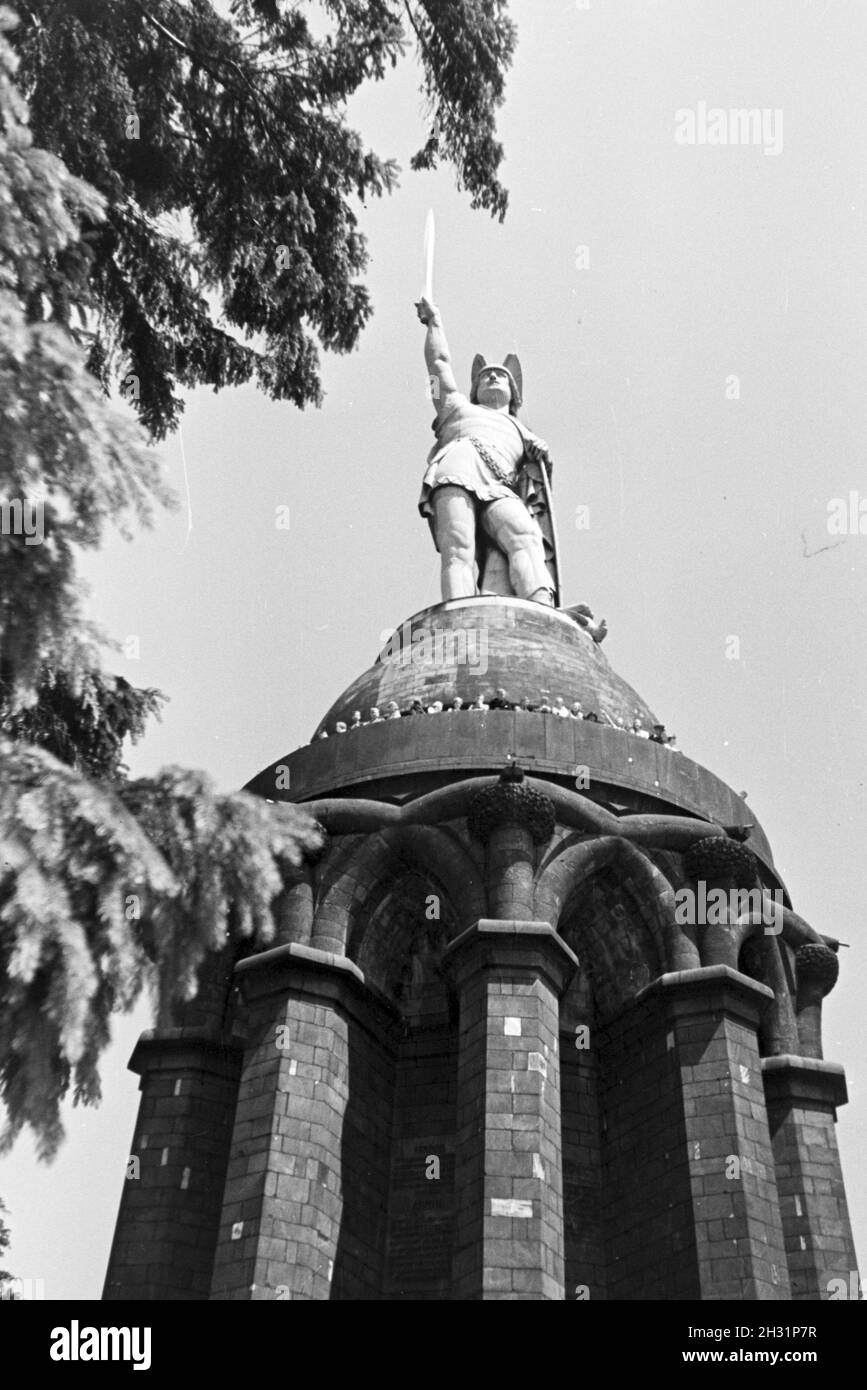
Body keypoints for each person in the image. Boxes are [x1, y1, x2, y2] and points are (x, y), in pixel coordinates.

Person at [415, 297, 558, 605]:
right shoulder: (456, 408)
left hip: (501, 485)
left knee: (526, 538)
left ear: (514, 393)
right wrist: (434, 323)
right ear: (475, 389)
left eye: (501, 375)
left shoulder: (524, 433)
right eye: (485, 376)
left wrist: (542, 456)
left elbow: (541, 489)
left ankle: (543, 606)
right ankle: (458, 612)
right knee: (458, 547)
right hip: (457, 468)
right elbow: (438, 365)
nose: (492, 376)